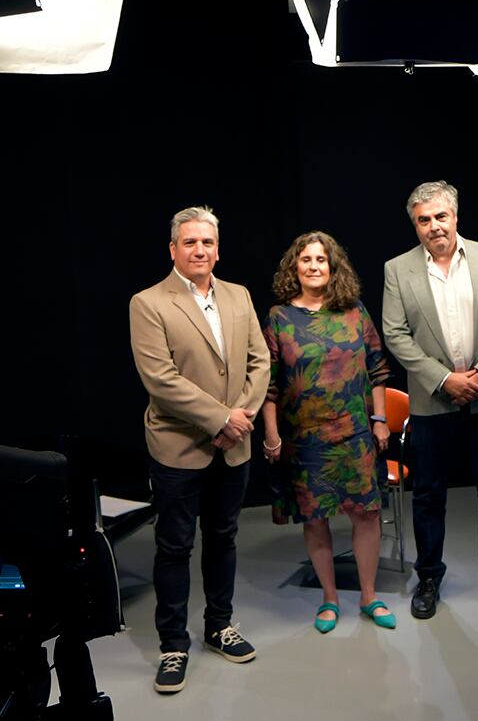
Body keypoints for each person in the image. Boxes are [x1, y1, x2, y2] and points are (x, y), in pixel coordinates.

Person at [129, 205, 269, 695]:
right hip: (178, 449)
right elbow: (161, 380)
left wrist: (240, 419)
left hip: (234, 446)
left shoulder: (239, 295)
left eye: (207, 242)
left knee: (225, 538)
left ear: (217, 248)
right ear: (173, 249)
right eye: (189, 243)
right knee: (174, 547)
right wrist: (220, 419)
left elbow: (260, 360)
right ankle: (173, 644)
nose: (199, 250)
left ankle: (219, 625)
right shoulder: (148, 303)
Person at [381, 180, 478, 619]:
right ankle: (429, 579)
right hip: (432, 401)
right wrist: (445, 379)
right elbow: (395, 334)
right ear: (415, 225)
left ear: (455, 217)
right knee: (428, 495)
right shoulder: (397, 269)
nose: (433, 227)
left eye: (440, 217)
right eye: (423, 220)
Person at [260, 231, 395, 634]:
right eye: (306, 260)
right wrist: (271, 436)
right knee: (315, 519)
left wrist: (381, 419)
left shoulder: (355, 312)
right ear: (294, 267)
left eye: (322, 260)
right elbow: (267, 385)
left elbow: (378, 369)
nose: (314, 266)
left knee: (366, 515)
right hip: (305, 439)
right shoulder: (279, 319)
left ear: (333, 268)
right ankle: (330, 598)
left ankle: (369, 596)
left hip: (355, 434)